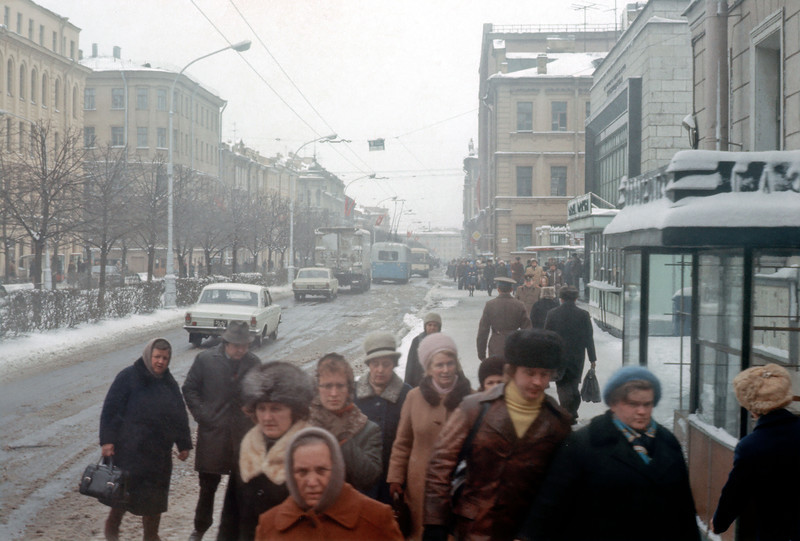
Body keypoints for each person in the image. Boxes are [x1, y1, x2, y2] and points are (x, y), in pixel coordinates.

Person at [521, 366, 701, 541]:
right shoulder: (584, 443)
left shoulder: (667, 442)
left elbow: (683, 507)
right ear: (614, 403)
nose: (642, 411)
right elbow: (552, 500)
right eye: (633, 404)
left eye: (647, 404)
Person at [423, 330, 572, 541]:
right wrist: (435, 524)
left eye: (544, 374)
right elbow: (441, 465)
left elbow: (559, 487)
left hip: (523, 534)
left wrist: (533, 531)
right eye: (530, 373)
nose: (538, 382)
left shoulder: (558, 423)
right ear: (511, 371)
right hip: (473, 529)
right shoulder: (474, 408)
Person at [99, 338, 192, 541]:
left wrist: (183, 444)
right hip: (128, 452)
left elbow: (179, 415)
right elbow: (110, 410)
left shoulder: (169, 383)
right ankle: (111, 535)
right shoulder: (128, 377)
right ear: (149, 355)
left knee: (154, 505)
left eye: (165, 358)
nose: (160, 362)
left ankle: (151, 537)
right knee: (119, 502)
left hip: (158, 457)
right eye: (157, 356)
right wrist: (107, 441)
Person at [387, 332, 472, 540]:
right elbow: (403, 443)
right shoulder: (414, 397)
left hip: (458, 486)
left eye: (450, 364)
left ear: (457, 365)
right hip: (419, 486)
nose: (445, 370)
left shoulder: (472, 399)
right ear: (428, 368)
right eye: (439, 365)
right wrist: (396, 478)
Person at [217, 362, 314, 541]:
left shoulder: (311, 451)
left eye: (276, 408)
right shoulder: (246, 448)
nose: (267, 417)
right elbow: (230, 515)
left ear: (295, 411)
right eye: (262, 408)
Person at [183, 321, 262, 541]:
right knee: (208, 488)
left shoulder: (254, 364)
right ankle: (199, 529)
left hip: (243, 438)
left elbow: (262, 395)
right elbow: (190, 389)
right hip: (214, 435)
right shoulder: (206, 360)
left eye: (245, 345)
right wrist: (203, 415)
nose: (241, 350)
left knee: (244, 490)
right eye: (237, 345)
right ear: (226, 343)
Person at [255, 427, 404, 540]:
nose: (312, 482)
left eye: (321, 470)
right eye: (302, 472)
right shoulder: (268, 526)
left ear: (337, 470)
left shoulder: (376, 519)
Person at [711, 363, 800, 541]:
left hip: (775, 533)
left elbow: (735, 493)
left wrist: (719, 522)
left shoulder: (751, 446)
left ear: (750, 406)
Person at [308, 353, 383, 493]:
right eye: (327, 386)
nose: (334, 393)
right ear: (318, 388)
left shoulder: (368, 429)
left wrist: (343, 439)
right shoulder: (303, 425)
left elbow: (369, 478)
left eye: (340, 386)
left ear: (349, 389)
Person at [354, 331, 412, 504]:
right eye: (375, 363)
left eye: (386, 364)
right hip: (359, 482)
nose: (380, 370)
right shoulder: (352, 394)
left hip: (393, 482)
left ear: (394, 364)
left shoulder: (407, 395)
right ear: (368, 364)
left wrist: (400, 477)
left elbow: (409, 441)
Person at [544, 286, 597, 422]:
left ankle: (567, 414)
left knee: (561, 385)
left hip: (558, 355)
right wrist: (592, 358)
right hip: (577, 356)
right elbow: (588, 338)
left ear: (560, 299)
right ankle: (571, 412)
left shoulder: (552, 314)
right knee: (573, 384)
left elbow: (547, 337)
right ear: (576, 298)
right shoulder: (583, 315)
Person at [476, 276, 531, 361]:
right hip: (514, 344)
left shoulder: (490, 305)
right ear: (511, 290)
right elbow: (528, 330)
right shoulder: (520, 305)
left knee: (497, 371)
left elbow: (483, 331)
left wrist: (481, 354)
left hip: (496, 344)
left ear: (498, 289)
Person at [405, 313, 442, 387]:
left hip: (439, 384)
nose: (432, 327)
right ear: (425, 327)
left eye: (435, 325)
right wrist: (407, 386)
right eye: (429, 325)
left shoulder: (443, 342)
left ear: (439, 327)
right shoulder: (417, 341)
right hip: (419, 384)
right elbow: (410, 365)